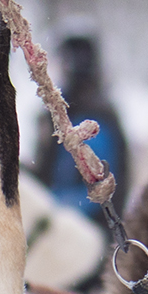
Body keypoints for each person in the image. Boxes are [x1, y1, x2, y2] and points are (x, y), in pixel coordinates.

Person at [36, 30, 128, 229]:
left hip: (85, 232)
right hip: (59, 225)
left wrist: (51, 206)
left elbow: (100, 191)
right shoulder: (58, 111)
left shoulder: (96, 117)